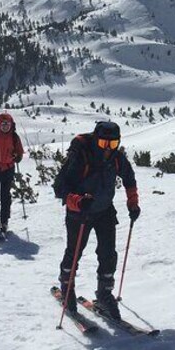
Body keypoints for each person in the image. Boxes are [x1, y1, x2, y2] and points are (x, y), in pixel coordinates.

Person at [56, 121, 140, 318]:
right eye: (104, 143)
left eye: (112, 144)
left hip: (104, 211)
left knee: (108, 254)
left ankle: (104, 294)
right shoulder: (81, 156)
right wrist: (78, 201)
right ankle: (67, 287)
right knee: (74, 253)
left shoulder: (116, 158)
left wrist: (133, 203)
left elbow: (129, 178)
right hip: (79, 213)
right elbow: (60, 188)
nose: (108, 149)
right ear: (96, 140)